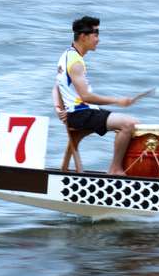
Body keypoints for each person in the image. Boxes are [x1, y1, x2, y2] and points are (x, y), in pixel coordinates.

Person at [52, 15, 139, 175]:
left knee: (126, 124)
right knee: (129, 124)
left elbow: (56, 86)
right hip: (81, 114)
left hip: (79, 113)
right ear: (83, 36)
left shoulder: (66, 55)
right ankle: (115, 169)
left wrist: (58, 108)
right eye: (96, 34)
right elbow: (86, 97)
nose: (98, 39)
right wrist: (118, 101)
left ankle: (66, 169)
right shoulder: (76, 63)